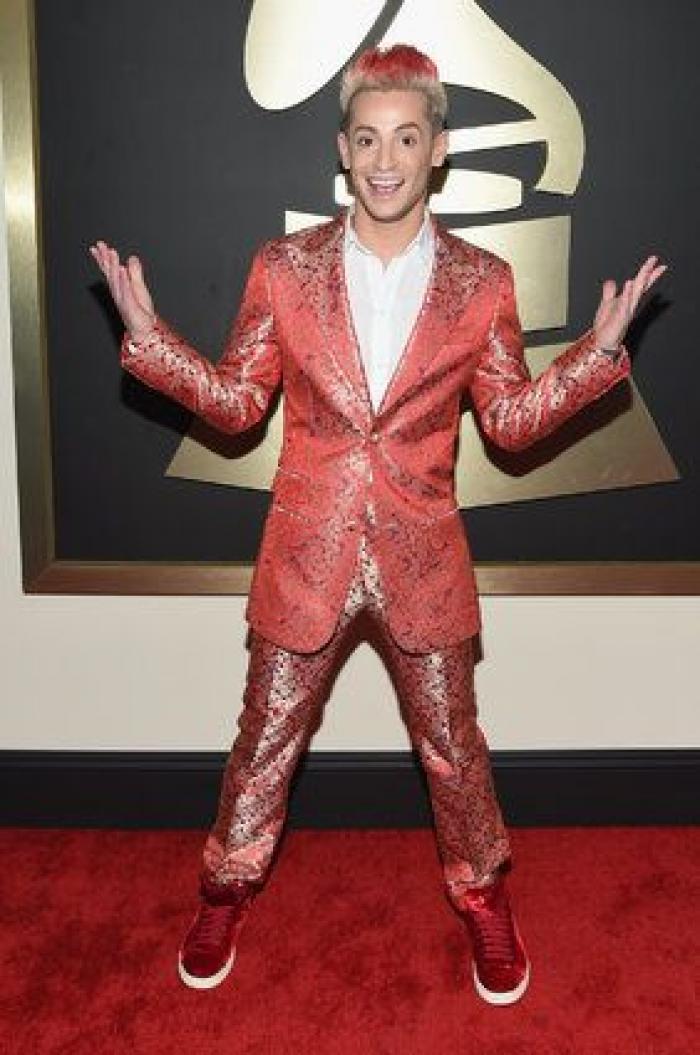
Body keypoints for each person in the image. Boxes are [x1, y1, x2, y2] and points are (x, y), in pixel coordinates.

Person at [89, 44, 666, 1005]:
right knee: (264, 739)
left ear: (437, 149)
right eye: (367, 138)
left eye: (406, 137)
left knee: (455, 747)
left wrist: (599, 355)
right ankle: (224, 886)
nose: (386, 158)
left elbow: (513, 425)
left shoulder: (482, 283)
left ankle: (483, 895)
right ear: (343, 150)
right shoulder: (282, 267)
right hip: (306, 552)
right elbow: (236, 406)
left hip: (424, 556)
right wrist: (149, 341)